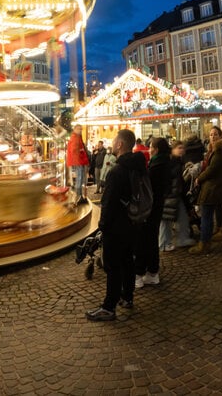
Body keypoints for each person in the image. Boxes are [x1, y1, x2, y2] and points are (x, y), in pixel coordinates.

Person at [86, 128, 144, 322]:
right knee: (128, 261)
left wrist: (103, 226)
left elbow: (108, 203)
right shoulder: (138, 166)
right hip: (133, 221)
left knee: (112, 265)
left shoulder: (117, 171)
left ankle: (109, 307)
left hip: (116, 226)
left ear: (120, 144)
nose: (111, 143)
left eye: (113, 140)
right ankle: (127, 296)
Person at [190, 126, 222, 254]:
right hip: (211, 187)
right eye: (211, 134)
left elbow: (211, 170)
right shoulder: (213, 150)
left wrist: (199, 178)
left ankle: (204, 244)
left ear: (220, 136)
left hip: (213, 188)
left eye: (216, 134)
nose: (213, 137)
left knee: (206, 217)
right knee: (207, 215)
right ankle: (206, 240)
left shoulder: (220, 152)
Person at [136, 137, 169, 289]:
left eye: (150, 147)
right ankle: (152, 273)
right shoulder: (165, 163)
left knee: (144, 240)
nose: (148, 150)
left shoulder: (156, 167)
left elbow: (148, 189)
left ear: (155, 149)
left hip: (150, 208)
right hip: (157, 207)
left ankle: (140, 274)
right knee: (152, 240)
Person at [159, 140, 195, 251]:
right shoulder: (171, 162)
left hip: (176, 195)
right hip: (170, 196)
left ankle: (182, 239)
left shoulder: (179, 162)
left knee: (182, 216)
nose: (181, 150)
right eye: (179, 148)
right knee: (166, 220)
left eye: (183, 148)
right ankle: (164, 244)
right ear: (173, 149)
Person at [66, 125, 90, 204]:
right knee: (79, 180)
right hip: (79, 162)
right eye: (79, 129)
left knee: (80, 180)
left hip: (79, 161)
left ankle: (80, 197)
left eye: (81, 129)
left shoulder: (76, 137)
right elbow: (74, 150)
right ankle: (79, 197)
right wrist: (81, 153)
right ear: (75, 129)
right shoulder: (75, 137)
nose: (80, 130)